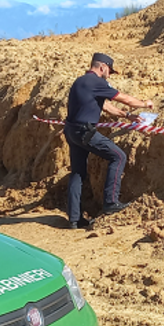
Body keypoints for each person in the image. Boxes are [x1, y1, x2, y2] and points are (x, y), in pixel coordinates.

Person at [64, 53, 154, 229]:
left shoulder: (80, 82)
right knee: (118, 156)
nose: (110, 75)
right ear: (102, 67)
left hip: (71, 131)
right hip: (85, 131)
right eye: (110, 71)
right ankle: (111, 202)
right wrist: (145, 104)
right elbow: (125, 99)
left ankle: (74, 219)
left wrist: (127, 116)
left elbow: (104, 105)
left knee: (78, 173)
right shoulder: (98, 82)